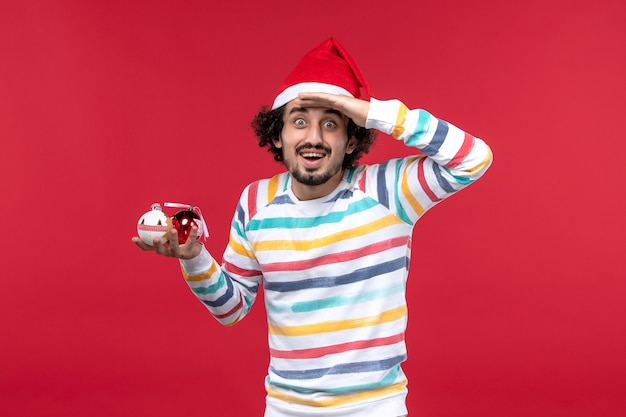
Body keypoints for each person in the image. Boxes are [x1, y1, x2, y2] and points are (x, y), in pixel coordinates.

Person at [133, 37, 493, 417]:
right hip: (286, 408)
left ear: (352, 138)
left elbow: (473, 159)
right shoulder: (256, 202)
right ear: (277, 134)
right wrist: (194, 258)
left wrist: (373, 112)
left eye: (331, 124)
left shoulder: (389, 191)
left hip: (374, 407)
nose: (314, 138)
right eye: (300, 121)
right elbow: (231, 309)